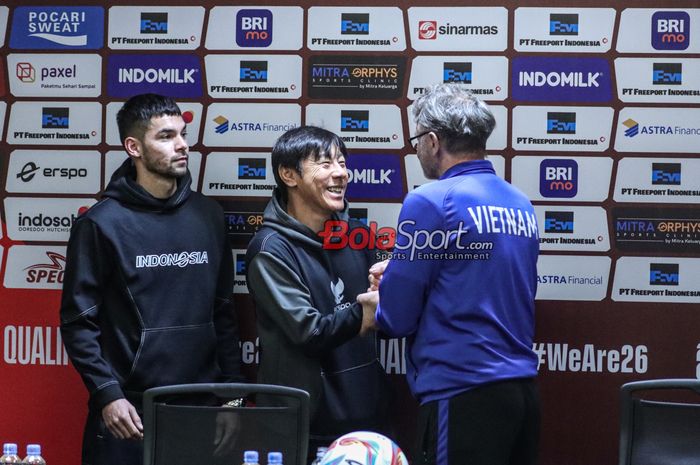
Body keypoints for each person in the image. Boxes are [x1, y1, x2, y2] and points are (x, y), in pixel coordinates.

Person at [357, 84, 541, 465]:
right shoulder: (519, 202)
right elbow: (477, 274)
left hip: (462, 393)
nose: (417, 149)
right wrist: (406, 269)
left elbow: (398, 317)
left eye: (417, 140)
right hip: (521, 393)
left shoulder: (430, 200)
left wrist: (383, 296)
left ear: (433, 141)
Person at [60, 93, 242, 465]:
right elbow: (79, 323)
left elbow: (224, 313)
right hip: (130, 415)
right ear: (134, 147)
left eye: (183, 134)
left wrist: (233, 397)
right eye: (166, 136)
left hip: (201, 408)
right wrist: (107, 394)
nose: (182, 145)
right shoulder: (100, 224)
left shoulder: (209, 215)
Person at [245, 126, 388, 452]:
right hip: (303, 429)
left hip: (367, 423)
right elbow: (307, 331)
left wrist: (391, 291)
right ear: (288, 175)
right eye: (325, 164)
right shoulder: (271, 249)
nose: (340, 173)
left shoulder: (357, 234)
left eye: (341, 161)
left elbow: (384, 320)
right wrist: (367, 309)